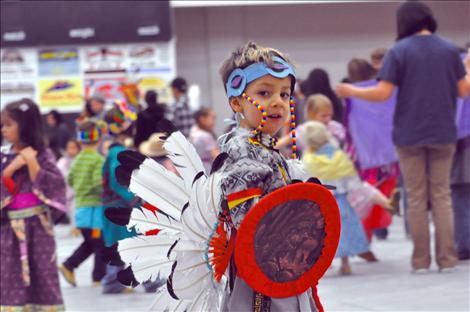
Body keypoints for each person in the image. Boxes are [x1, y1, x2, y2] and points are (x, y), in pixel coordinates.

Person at [336, 1, 469, 273]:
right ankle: (447, 259)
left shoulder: (399, 51)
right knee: (442, 195)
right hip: (444, 133)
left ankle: (420, 261)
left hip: (408, 135)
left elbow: (383, 93)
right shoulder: (448, 49)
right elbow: (463, 91)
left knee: (417, 198)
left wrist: (352, 91)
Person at [1, 98, 66, 311]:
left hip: (39, 228)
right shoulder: (3, 157)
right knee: (10, 275)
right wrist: (9, 171)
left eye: (9, 124)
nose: (4, 129)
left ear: (26, 126)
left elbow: (54, 186)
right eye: (2, 124)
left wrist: (31, 161)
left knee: (43, 273)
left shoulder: (43, 155)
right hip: (10, 230)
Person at [301, 121, 370, 275]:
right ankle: (345, 263)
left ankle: (323, 263)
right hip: (342, 201)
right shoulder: (339, 155)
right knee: (343, 231)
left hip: (322, 203)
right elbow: (351, 177)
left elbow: (308, 181)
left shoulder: (310, 160)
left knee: (322, 233)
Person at [59, 120, 107, 286]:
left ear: (80, 140)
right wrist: (106, 193)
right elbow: (97, 183)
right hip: (95, 210)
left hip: (81, 209)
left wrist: (81, 190)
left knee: (92, 242)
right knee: (100, 243)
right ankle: (97, 278)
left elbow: (70, 180)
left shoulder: (77, 160)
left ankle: (69, 266)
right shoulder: (98, 160)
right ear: (99, 140)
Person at [100, 100, 140, 294]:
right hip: (119, 208)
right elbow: (119, 181)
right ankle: (112, 282)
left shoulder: (114, 150)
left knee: (121, 245)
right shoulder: (117, 152)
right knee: (126, 244)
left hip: (116, 207)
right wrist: (134, 198)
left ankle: (112, 282)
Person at [276, 94, 346, 156]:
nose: (328, 119)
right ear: (311, 115)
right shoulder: (305, 129)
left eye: (330, 115)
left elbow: (348, 139)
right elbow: (285, 140)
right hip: (312, 168)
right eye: (324, 116)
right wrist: (269, 148)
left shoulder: (334, 126)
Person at [57, 139, 81, 230]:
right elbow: (58, 174)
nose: (71, 150)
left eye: (73, 148)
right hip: (66, 191)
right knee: (69, 211)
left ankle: (77, 228)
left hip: (78, 191)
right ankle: (73, 228)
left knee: (76, 211)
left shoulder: (81, 160)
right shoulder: (62, 161)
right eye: (69, 148)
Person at [189, 107, 220, 173]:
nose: (214, 123)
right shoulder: (205, 136)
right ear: (202, 119)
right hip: (207, 170)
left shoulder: (193, 131)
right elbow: (218, 157)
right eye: (212, 118)